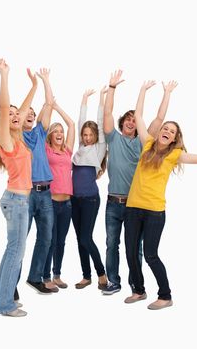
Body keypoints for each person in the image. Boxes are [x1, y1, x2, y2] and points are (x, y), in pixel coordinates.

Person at [124, 80, 197, 310]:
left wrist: (168, 93)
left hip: (154, 212)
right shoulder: (147, 143)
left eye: (172, 132)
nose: (167, 132)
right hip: (132, 208)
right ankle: (138, 291)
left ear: (174, 139)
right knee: (131, 253)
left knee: (150, 255)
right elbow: (139, 115)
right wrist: (143, 90)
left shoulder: (176, 155)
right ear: (160, 132)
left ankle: (165, 295)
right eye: (165, 128)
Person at [102, 70, 178, 295]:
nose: (131, 122)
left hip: (136, 205)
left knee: (136, 250)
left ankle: (137, 286)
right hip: (113, 203)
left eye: (135, 120)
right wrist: (112, 88)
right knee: (112, 245)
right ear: (123, 122)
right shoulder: (113, 137)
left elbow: (158, 120)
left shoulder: (144, 143)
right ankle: (113, 282)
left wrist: (166, 93)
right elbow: (107, 113)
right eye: (128, 119)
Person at [0, 58, 34, 317]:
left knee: (12, 252)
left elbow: (24, 108)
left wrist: (33, 86)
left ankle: (2, 297)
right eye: (10, 114)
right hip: (17, 202)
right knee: (15, 253)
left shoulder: (18, 140)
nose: (15, 115)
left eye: (16, 113)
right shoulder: (6, 139)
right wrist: (5, 76)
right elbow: (4, 106)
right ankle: (5, 304)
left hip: (19, 201)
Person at [19, 67, 56, 295]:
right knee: (20, 239)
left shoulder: (41, 132)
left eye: (33, 113)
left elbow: (49, 104)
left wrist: (45, 80)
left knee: (46, 237)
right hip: (26, 192)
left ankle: (35, 277)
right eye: (27, 113)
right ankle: (10, 283)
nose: (31, 115)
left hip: (46, 193)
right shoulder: (17, 135)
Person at [71, 87, 108, 289]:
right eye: (84, 135)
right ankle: (86, 276)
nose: (86, 137)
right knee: (79, 238)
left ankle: (101, 273)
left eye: (90, 134)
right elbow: (80, 123)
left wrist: (101, 98)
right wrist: (83, 98)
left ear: (95, 136)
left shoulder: (98, 149)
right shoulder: (80, 148)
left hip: (90, 200)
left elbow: (101, 124)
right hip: (74, 199)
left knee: (86, 237)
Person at [43, 100, 75, 291]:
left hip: (67, 204)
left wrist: (57, 108)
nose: (60, 134)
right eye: (56, 132)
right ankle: (45, 276)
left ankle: (57, 275)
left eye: (61, 132)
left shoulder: (67, 151)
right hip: (51, 202)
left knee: (61, 241)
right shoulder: (46, 150)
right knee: (50, 240)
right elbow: (44, 126)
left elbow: (71, 124)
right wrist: (48, 108)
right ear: (50, 136)